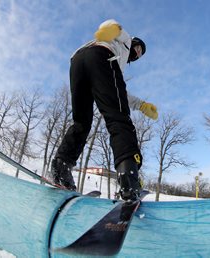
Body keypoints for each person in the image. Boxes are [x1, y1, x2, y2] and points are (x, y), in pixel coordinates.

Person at [52, 19, 158, 201]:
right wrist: (111, 29)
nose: (138, 54)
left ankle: (62, 168)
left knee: (81, 122)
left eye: (140, 54)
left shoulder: (116, 56)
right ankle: (128, 179)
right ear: (133, 42)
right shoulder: (122, 43)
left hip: (77, 62)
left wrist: (140, 104)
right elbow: (116, 27)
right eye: (139, 48)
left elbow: (117, 91)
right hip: (100, 57)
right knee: (118, 118)